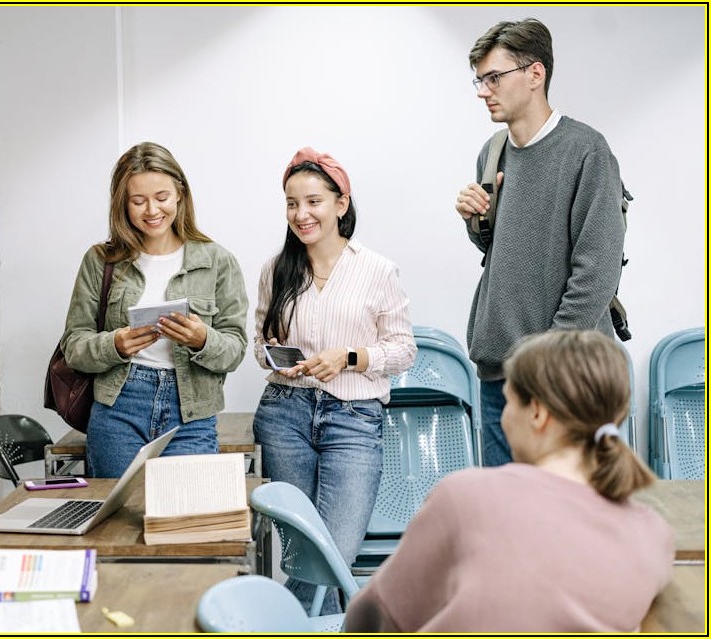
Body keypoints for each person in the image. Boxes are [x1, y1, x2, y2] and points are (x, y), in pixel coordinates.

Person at [345, 330, 674, 633]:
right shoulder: (653, 535)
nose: (503, 417)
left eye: (509, 401)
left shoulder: (467, 496)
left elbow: (373, 618)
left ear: (537, 413)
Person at [454, 18, 627, 466]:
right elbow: (502, 252)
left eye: (494, 77)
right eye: (480, 79)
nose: (482, 90)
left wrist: (545, 362)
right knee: (505, 521)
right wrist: (477, 222)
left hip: (564, 378)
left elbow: (597, 272)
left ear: (535, 74)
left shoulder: (587, 151)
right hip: (499, 376)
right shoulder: (491, 152)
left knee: (570, 521)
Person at [252, 147, 416, 614]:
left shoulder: (377, 269)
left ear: (341, 204)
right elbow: (258, 345)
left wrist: (349, 357)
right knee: (301, 554)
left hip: (354, 420)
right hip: (284, 416)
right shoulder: (276, 270)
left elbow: (403, 350)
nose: (301, 214)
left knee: (332, 555)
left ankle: (278, 621)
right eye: (291, 203)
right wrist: (275, 358)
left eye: (313, 202)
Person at [62, 141, 248, 478]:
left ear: (180, 193)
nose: (151, 210)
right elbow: (74, 346)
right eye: (138, 201)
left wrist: (202, 339)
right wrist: (115, 345)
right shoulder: (101, 261)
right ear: (122, 204)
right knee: (115, 523)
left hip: (191, 411)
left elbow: (235, 350)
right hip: (119, 407)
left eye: (161, 197)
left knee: (185, 521)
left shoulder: (217, 261)